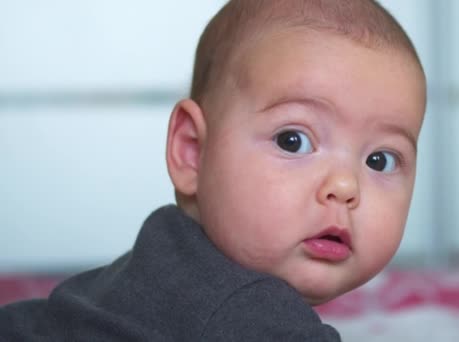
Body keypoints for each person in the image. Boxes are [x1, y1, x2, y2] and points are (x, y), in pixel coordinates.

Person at [0, 0, 426, 340]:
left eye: (379, 160)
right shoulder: (253, 316)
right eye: (292, 140)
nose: (345, 186)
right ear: (192, 151)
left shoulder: (166, 249)